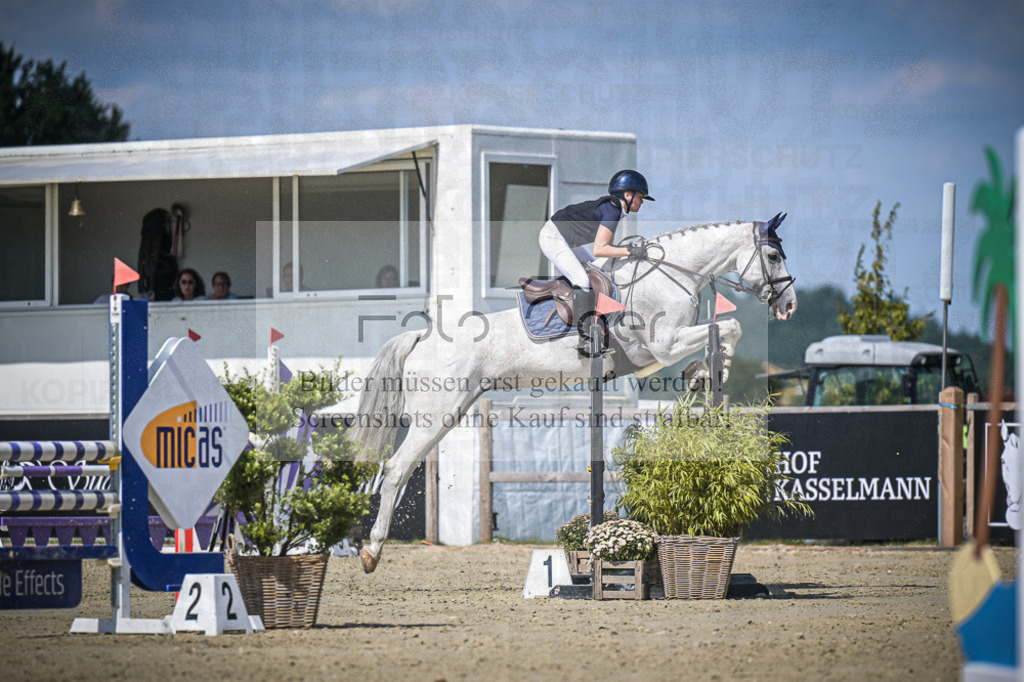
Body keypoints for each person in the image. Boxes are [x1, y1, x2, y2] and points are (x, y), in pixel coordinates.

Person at [538, 169, 654, 356]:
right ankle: (585, 340)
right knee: (582, 280)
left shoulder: (614, 209)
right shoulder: (612, 209)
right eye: (640, 197)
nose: (642, 201)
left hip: (567, 240)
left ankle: (600, 326)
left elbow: (604, 250)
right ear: (627, 195)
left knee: (600, 274)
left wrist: (629, 251)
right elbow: (600, 249)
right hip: (553, 237)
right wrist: (630, 251)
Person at [137, 207, 178, 301]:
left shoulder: (146, 237)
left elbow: (142, 261)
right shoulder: (160, 236)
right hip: (161, 274)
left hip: (152, 276)